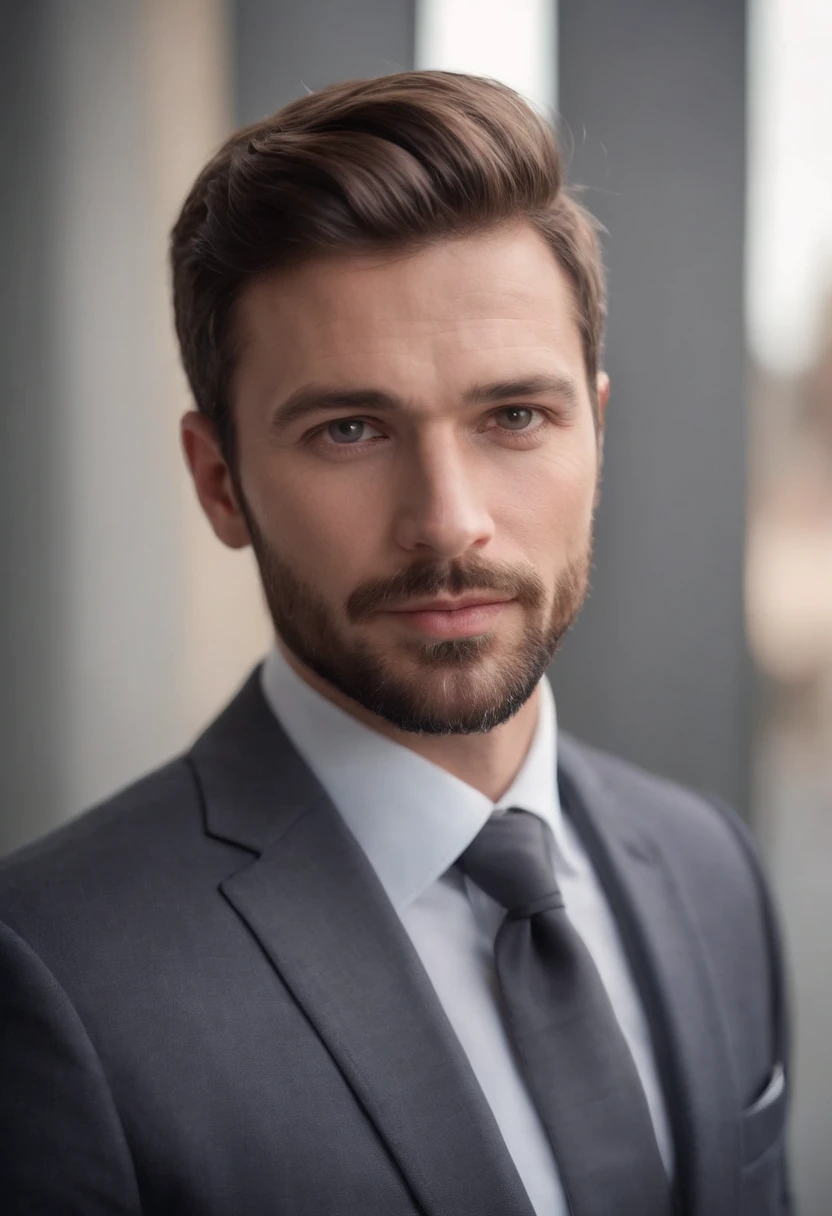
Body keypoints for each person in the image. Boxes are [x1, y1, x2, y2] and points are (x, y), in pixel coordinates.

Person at [0, 72, 790, 1216]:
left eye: (514, 415)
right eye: (351, 429)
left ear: (594, 431)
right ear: (220, 484)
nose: (448, 519)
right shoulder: (53, 978)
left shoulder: (712, 868)